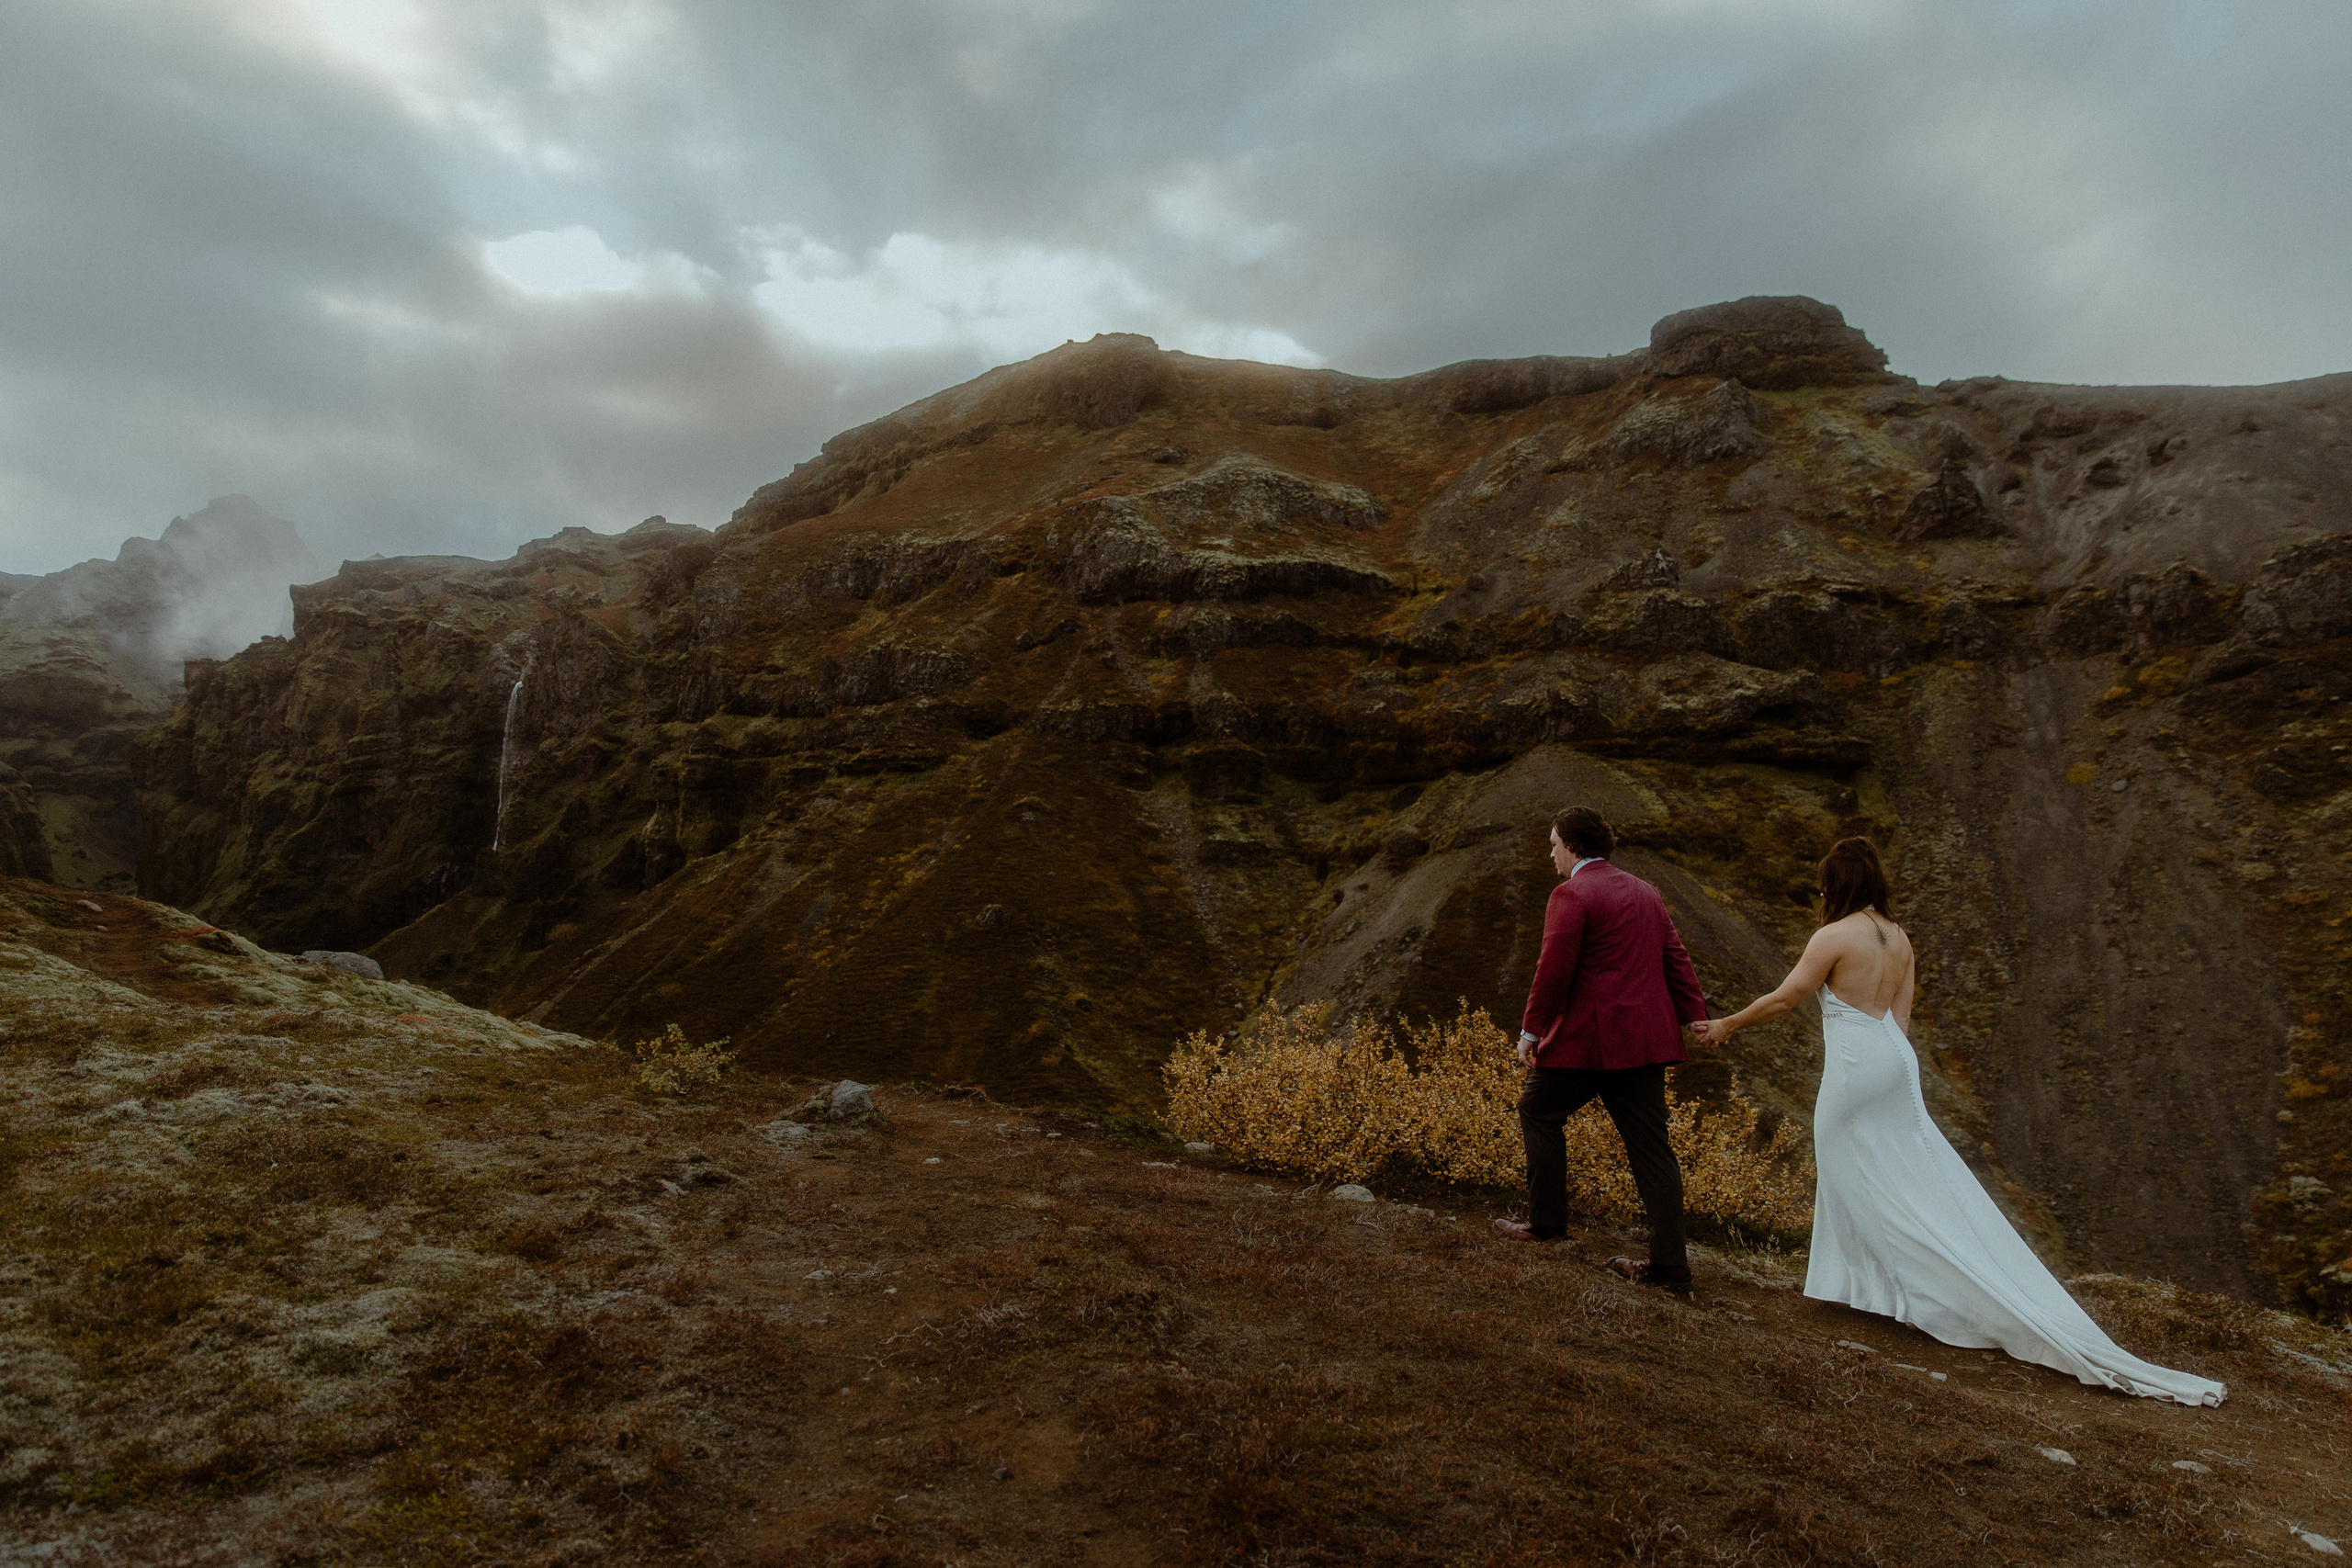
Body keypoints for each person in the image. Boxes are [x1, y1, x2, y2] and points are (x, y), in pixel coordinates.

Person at [1695, 838, 2225, 1405]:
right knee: (1907, 1176)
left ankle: (1888, 1290)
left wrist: (1728, 1024)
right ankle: (1870, 1286)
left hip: (1854, 1065)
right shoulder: (1899, 939)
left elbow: (1787, 998)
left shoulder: (1834, 936)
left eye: (1825, 881)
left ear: (1841, 883)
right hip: (1896, 1060)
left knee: (1852, 1172)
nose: (1821, 891)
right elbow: (1901, 1018)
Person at [1496, 807, 1713, 1292]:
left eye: (1553, 844)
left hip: (1592, 1041)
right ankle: (1670, 1266)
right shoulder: (1646, 891)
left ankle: (1547, 1225)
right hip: (1647, 1042)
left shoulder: (1571, 893)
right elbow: (1675, 957)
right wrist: (1693, 1015)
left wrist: (1531, 1032)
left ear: (1572, 846)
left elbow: (1554, 969)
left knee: (1538, 1111)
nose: (1551, 853)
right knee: (1653, 1150)